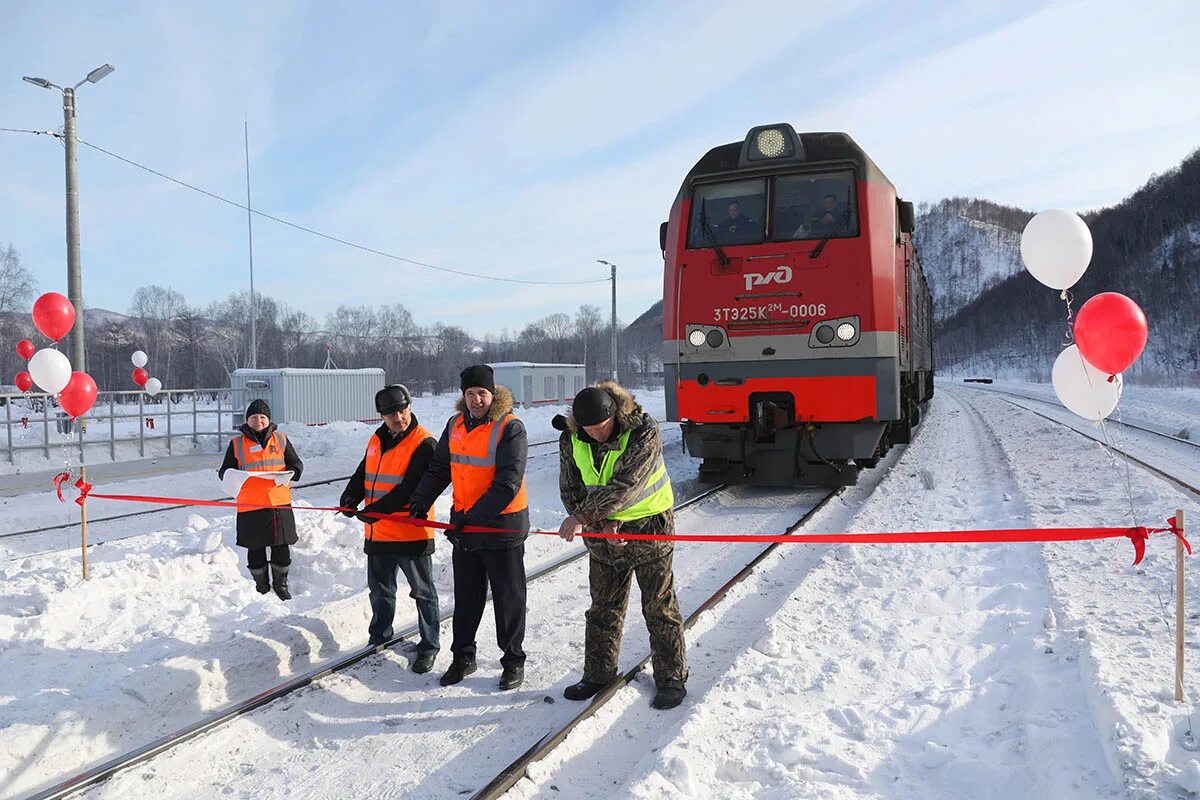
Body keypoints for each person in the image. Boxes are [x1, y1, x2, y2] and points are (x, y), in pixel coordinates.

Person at [556, 382, 688, 710]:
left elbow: (627, 484)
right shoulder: (571, 438)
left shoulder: (644, 431)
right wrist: (601, 525)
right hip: (603, 537)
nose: (596, 434)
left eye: (601, 427)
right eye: (589, 429)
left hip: (649, 530)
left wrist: (585, 517)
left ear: (615, 415)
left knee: (659, 607)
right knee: (603, 608)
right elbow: (571, 489)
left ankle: (671, 678)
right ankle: (598, 673)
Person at [408, 364, 530, 691]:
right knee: (466, 597)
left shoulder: (510, 428)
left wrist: (469, 519)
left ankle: (513, 661)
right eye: (471, 394)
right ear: (463, 396)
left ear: (493, 394)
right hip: (466, 525)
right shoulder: (455, 425)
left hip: (502, 527)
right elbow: (439, 468)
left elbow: (507, 484)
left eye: (482, 393)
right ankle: (463, 656)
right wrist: (422, 498)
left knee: (508, 598)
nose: (477, 399)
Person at [339, 384, 441, 673]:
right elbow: (364, 471)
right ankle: (380, 635)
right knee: (380, 590)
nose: (399, 417)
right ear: (381, 416)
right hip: (379, 532)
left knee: (423, 592)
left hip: (410, 533)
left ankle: (429, 645)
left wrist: (376, 511)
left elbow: (411, 488)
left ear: (410, 406)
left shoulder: (424, 443)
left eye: (402, 409)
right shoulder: (378, 438)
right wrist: (350, 497)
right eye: (391, 413)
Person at [218, 399, 304, 601]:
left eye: (262, 417)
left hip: (278, 503)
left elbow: (296, 464)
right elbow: (224, 471)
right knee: (255, 548)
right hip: (251, 505)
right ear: (248, 420)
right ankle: (261, 586)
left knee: (281, 546)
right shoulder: (237, 444)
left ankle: (281, 585)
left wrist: (294, 472)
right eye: (254, 417)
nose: (258, 421)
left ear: (268, 420)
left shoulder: (281, 439)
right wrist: (232, 476)